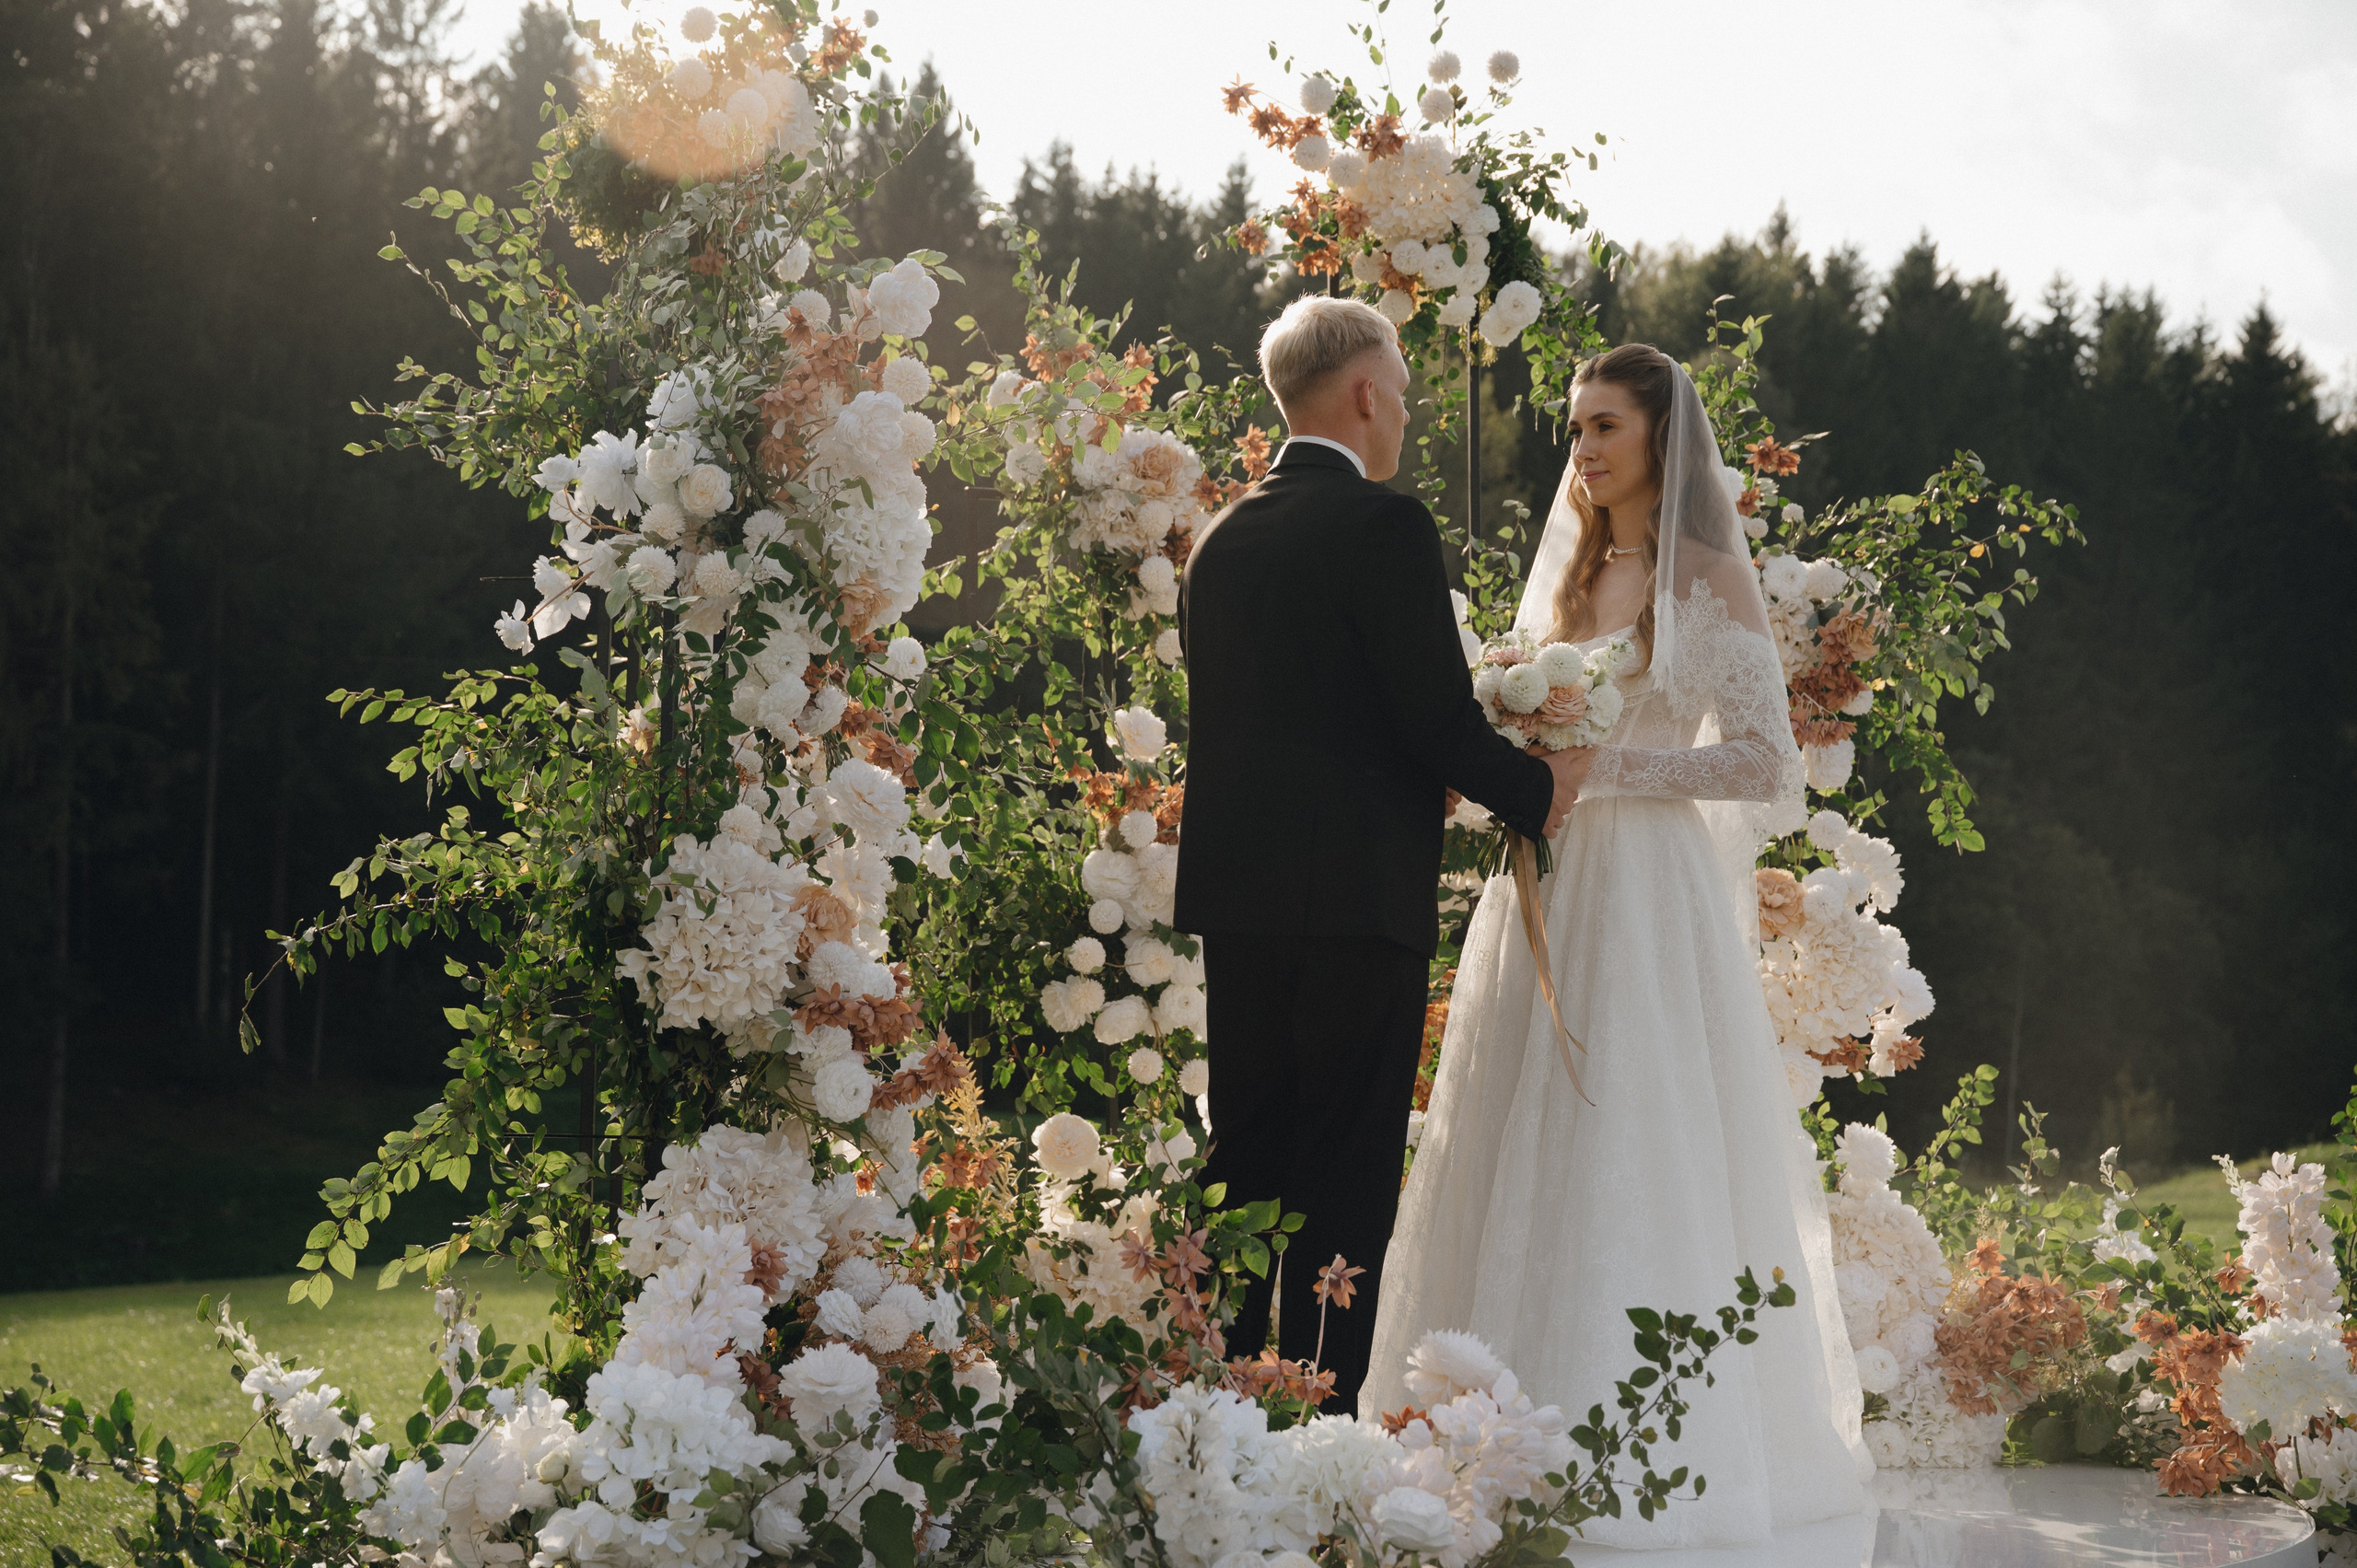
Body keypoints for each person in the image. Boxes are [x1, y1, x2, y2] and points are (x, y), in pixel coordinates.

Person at [1361, 344, 1875, 1549]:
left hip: (1648, 899)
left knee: (1628, 1135)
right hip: (1546, 884)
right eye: (1574, 430)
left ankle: (1643, 1450)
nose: (1583, 450)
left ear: (1660, 438)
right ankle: (1478, 1437)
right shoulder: (1570, 578)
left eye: (1604, 428)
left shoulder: (1704, 581)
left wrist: (1607, 770)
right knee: (1508, 1131)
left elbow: (1764, 764)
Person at [1175, 296, 1585, 1411]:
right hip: (1357, 900)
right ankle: (1308, 1414)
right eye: (1400, 396)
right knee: (1344, 1168)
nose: (1401, 419)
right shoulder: (1382, 527)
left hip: (1241, 902)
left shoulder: (1218, 539)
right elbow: (1431, 720)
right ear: (1365, 394)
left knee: (1245, 1149)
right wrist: (1542, 787)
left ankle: (1204, 1398)